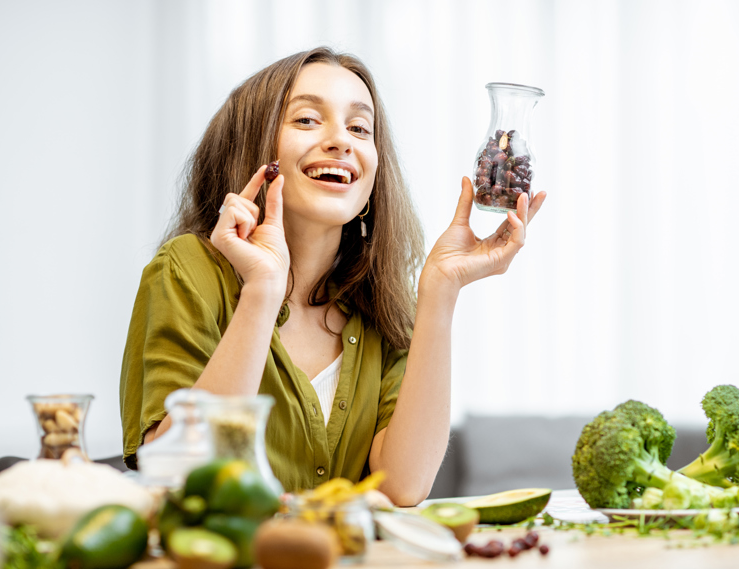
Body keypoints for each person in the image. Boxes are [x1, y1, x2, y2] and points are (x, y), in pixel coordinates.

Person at [120, 47, 546, 506]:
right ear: (253, 148)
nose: (341, 141)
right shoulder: (187, 270)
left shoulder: (377, 299)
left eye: (360, 128)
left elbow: (403, 486)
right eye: (307, 120)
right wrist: (263, 290)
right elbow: (178, 476)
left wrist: (442, 288)